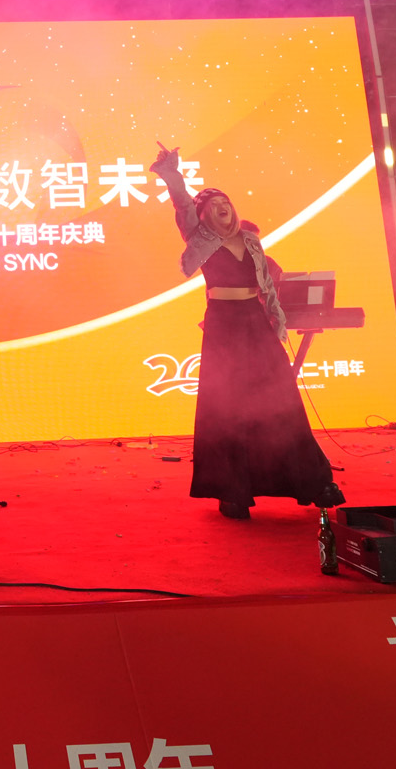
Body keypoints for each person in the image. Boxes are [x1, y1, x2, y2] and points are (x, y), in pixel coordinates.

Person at [150, 143, 342, 519]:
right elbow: (182, 206)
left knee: (280, 400)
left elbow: (268, 285)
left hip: (256, 321)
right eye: (213, 204)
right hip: (223, 324)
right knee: (227, 406)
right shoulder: (201, 240)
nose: (222, 206)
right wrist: (173, 175)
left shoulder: (252, 240)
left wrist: (276, 319)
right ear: (203, 215)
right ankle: (232, 491)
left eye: (226, 201)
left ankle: (311, 481)